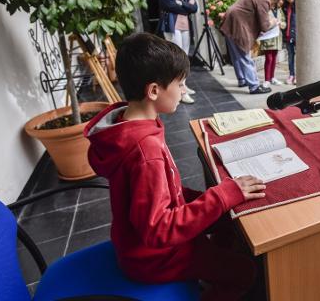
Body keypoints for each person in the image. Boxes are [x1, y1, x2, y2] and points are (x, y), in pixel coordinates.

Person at [85, 33, 266, 299]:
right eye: (180, 84)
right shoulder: (146, 152)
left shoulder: (127, 125)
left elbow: (157, 193)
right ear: (154, 91)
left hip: (138, 244)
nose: (183, 90)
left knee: (227, 223)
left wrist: (208, 199)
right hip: (154, 258)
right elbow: (159, 230)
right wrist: (220, 196)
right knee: (245, 271)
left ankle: (209, 261)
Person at [221, 0, 283, 94]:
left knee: (236, 56)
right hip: (237, 26)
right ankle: (254, 86)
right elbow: (265, 26)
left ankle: (242, 80)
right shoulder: (264, 0)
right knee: (245, 56)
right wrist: (275, 22)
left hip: (230, 23)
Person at [158, 0, 197, 104]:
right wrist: (186, 4)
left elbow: (194, 8)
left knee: (184, 57)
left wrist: (180, 2)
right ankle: (181, 91)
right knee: (177, 59)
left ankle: (183, 85)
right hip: (171, 24)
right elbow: (168, 4)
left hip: (184, 24)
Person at [260, 0, 285, 88]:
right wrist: (274, 23)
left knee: (274, 58)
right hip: (268, 38)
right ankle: (266, 80)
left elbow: (284, 23)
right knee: (269, 58)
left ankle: (272, 78)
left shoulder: (279, 10)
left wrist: (280, 24)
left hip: (277, 37)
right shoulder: (265, 10)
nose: (282, 1)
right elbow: (263, 25)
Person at [283, 0, 297, 85]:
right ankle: (291, 74)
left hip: (297, 35)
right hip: (288, 35)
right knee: (290, 56)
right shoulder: (284, 7)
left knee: (298, 57)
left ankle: (298, 75)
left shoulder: (298, 6)